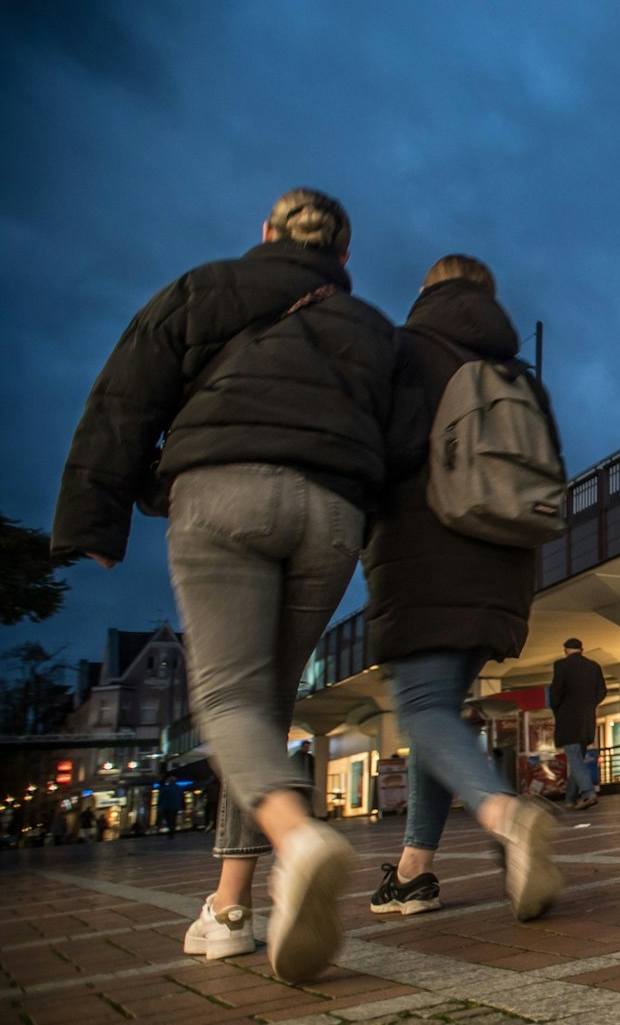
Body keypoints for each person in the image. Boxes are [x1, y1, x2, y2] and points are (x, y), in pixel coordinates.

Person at [51, 188, 397, 982]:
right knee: (266, 706)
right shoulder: (374, 331)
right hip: (332, 513)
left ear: (267, 234)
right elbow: (401, 444)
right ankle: (232, 907)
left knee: (230, 698)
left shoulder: (205, 287)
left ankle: (296, 835)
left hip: (221, 494)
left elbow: (127, 393)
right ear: (343, 257)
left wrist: (94, 518)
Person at [364, 255, 563, 921]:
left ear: (428, 290)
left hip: (425, 554)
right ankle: (415, 870)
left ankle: (506, 816)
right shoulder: (520, 376)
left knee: (420, 705)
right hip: (505, 564)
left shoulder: (405, 351)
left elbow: (378, 454)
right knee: (437, 710)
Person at [550, 638, 606, 809]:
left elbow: (556, 692)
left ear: (565, 650)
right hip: (587, 720)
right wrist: (589, 705)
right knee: (578, 759)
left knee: (574, 759)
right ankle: (570, 798)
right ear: (581, 650)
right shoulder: (594, 666)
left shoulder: (561, 666)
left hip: (569, 720)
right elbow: (602, 691)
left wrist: (558, 710)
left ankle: (588, 793)